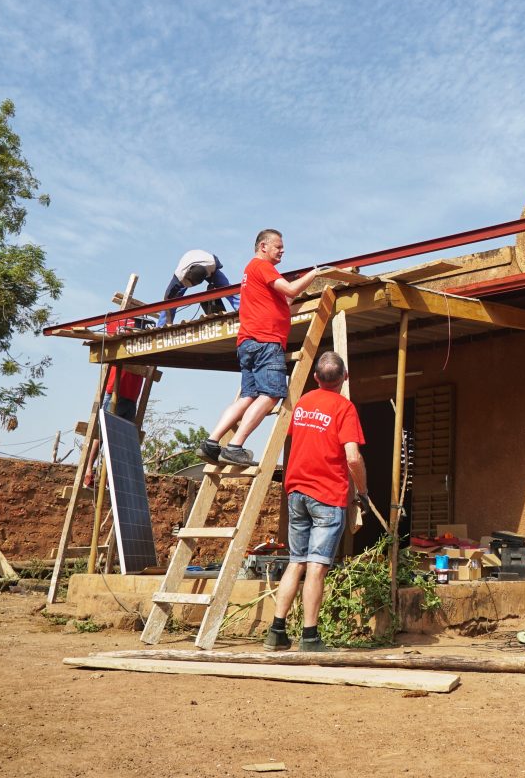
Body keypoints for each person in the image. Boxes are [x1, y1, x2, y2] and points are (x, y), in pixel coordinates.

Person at [264, 351, 368, 652]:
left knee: (296, 562)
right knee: (317, 567)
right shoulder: (345, 408)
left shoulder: (303, 404)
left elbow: (300, 440)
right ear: (345, 377)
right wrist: (362, 491)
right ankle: (309, 637)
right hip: (326, 496)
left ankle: (277, 632)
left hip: (296, 493)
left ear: (315, 378)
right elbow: (352, 456)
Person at [198, 229, 320, 467]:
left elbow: (285, 299)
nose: (282, 250)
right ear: (263, 246)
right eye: (278, 246)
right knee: (272, 394)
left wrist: (297, 286)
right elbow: (292, 290)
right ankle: (235, 446)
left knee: (248, 397)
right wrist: (314, 273)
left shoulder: (252, 272)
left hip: (248, 342)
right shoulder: (262, 266)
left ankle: (211, 443)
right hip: (266, 341)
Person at [82, 317, 146, 487]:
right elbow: (112, 333)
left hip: (131, 397)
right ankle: (89, 470)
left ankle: (110, 475)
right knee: (102, 433)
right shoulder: (122, 339)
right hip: (116, 392)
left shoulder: (144, 346)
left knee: (122, 438)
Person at [156, 249, 240, 327]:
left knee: (226, 288)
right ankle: (162, 325)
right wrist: (169, 322)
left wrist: (212, 284)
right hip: (189, 263)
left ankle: (241, 308)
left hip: (206, 267)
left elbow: (217, 269)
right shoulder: (180, 276)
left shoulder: (212, 263)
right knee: (170, 302)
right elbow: (167, 297)